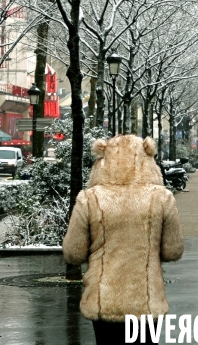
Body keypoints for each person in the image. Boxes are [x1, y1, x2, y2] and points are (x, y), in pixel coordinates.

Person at [63, 134, 184, 345]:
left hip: (104, 301)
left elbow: (74, 253)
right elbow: (173, 250)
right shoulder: (162, 198)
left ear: (103, 158)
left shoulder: (90, 199)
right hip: (146, 300)